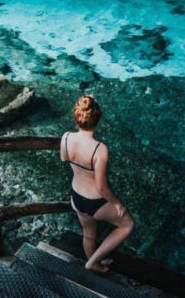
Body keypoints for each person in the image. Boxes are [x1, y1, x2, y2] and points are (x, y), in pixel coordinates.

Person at [60, 95, 135, 273]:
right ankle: (92, 262)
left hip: (76, 197)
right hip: (95, 201)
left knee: (89, 234)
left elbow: (64, 158)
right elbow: (101, 187)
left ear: (76, 117)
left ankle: (96, 265)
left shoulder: (66, 137)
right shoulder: (99, 149)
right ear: (97, 120)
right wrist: (117, 203)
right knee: (127, 225)